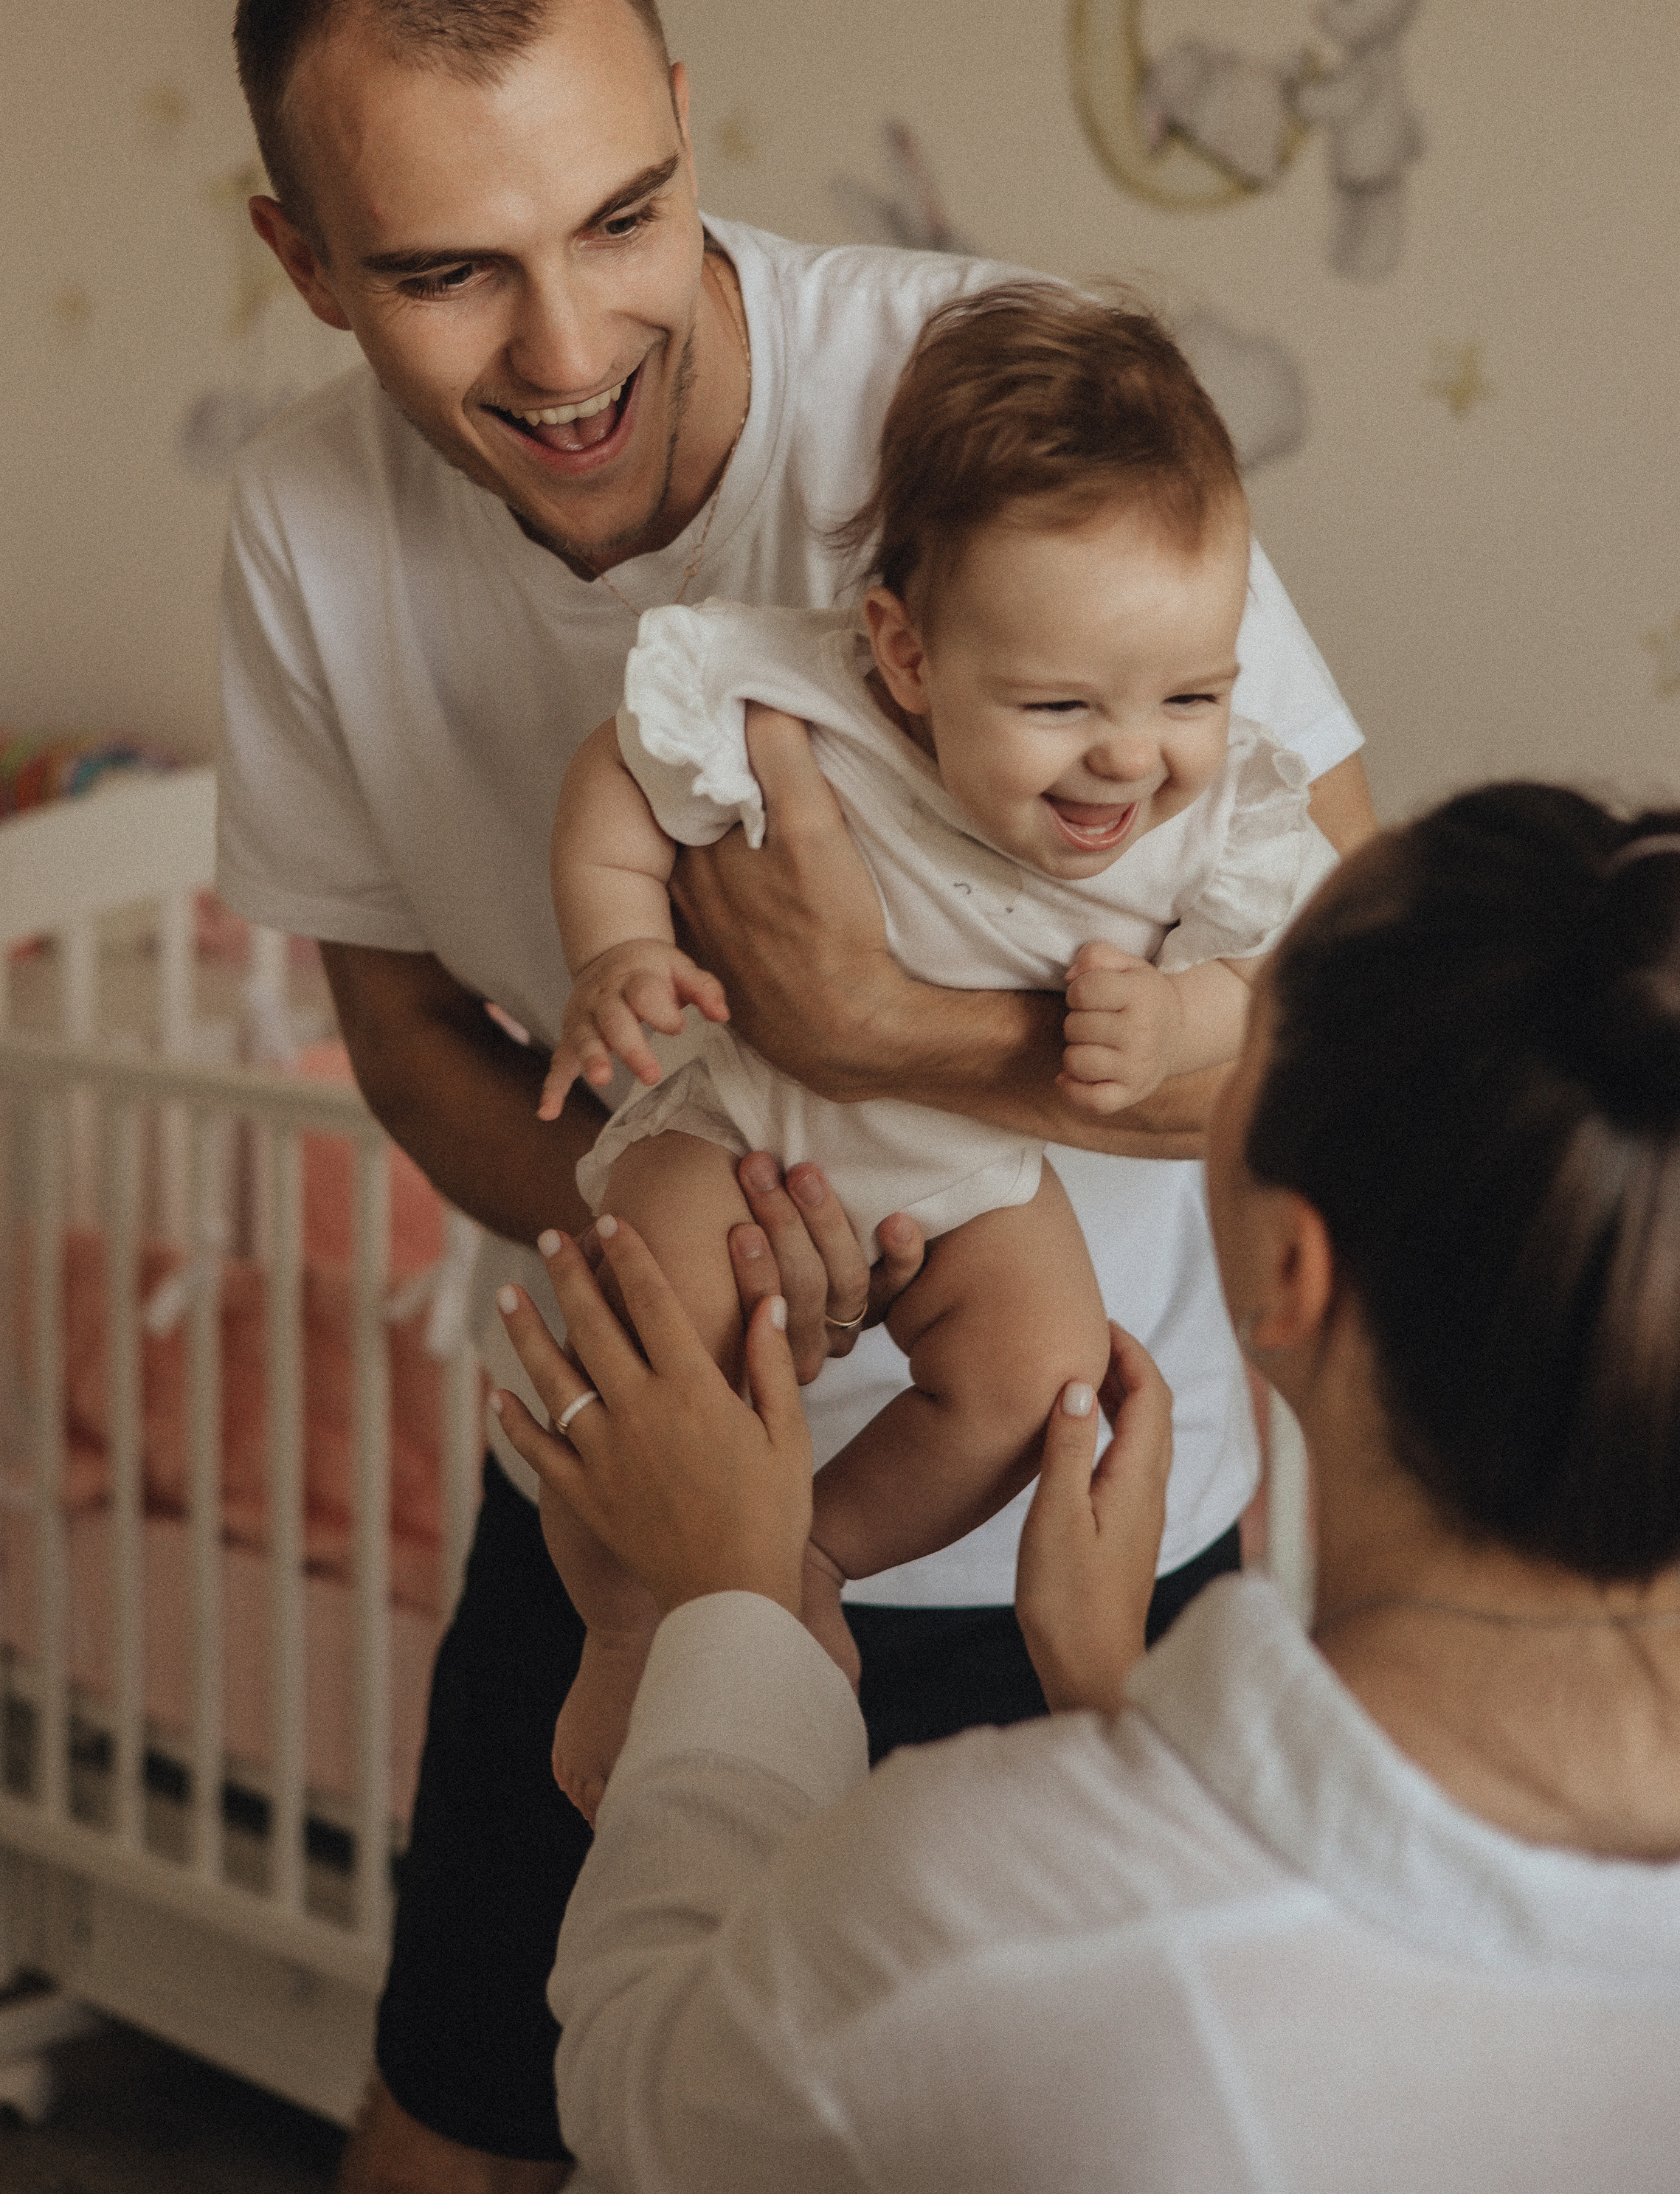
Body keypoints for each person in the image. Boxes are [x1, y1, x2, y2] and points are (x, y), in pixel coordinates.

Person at [214, 0, 1375, 2190]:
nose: (570, 349)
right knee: (460, 2128)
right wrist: (715, 1237)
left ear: (685, 125)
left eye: (624, 218)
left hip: (1081, 1529)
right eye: (450, 271)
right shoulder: (302, 531)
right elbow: (417, 1031)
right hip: (638, 1502)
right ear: (305, 267)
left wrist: (870, 1057)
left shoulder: (997, 420)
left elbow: (1370, 1055)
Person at [494, 788, 1680, 2193]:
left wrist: (733, 1603)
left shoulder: (973, 1921)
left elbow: (646, 2088)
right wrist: (1112, 1691)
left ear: (1293, 1275)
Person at [536, 284, 1335, 1818]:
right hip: (740, 1124)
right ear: (901, 652)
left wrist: (1178, 1013)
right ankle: (636, 1624)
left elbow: (1285, 981)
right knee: (648, 1356)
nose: (1130, 753)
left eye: (1192, 693)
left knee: (1034, 1381)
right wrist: (619, 946)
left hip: (965, 1173)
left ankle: (809, 1556)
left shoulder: (1206, 814)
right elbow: (617, 781)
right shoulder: (801, 703)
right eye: (1055, 704)